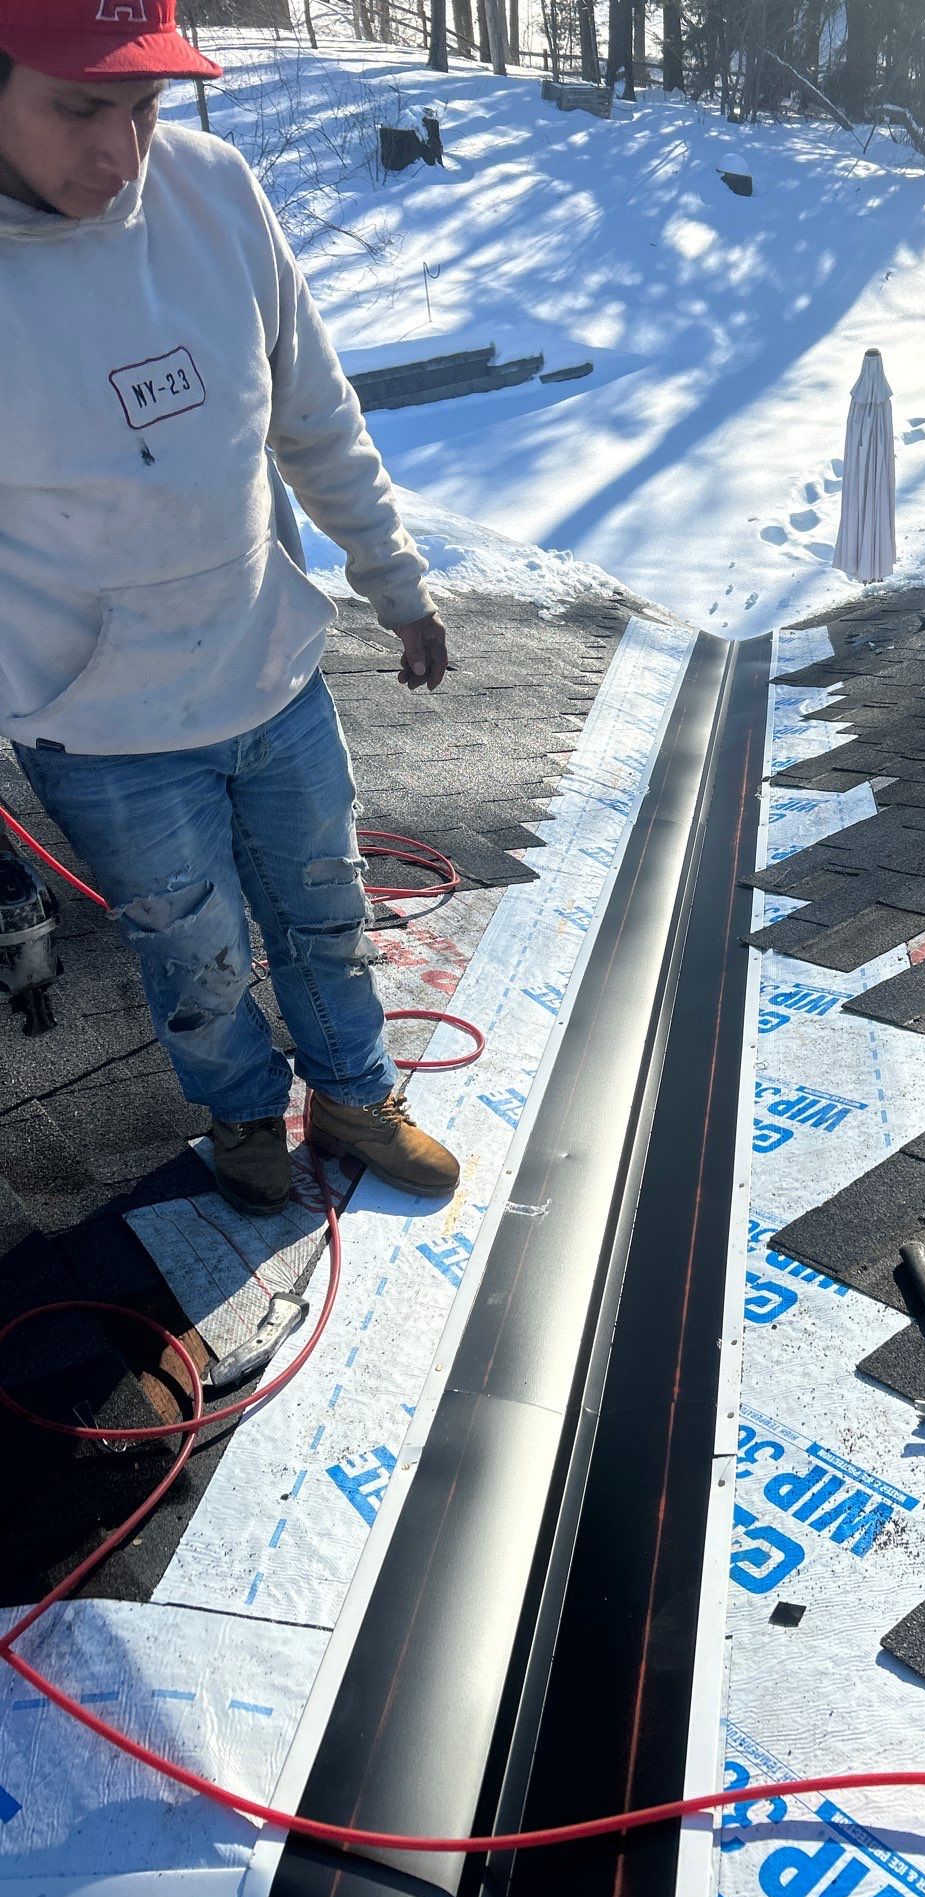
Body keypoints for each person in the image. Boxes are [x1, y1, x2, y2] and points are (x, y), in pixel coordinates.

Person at [0, 0, 462, 1215]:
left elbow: (313, 412)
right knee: (191, 951)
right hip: (99, 725)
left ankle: (356, 1097)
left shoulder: (213, 194)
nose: (121, 155)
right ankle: (244, 1116)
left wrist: (395, 583)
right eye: (78, 106)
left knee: (325, 903)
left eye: (146, 109)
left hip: (269, 665)